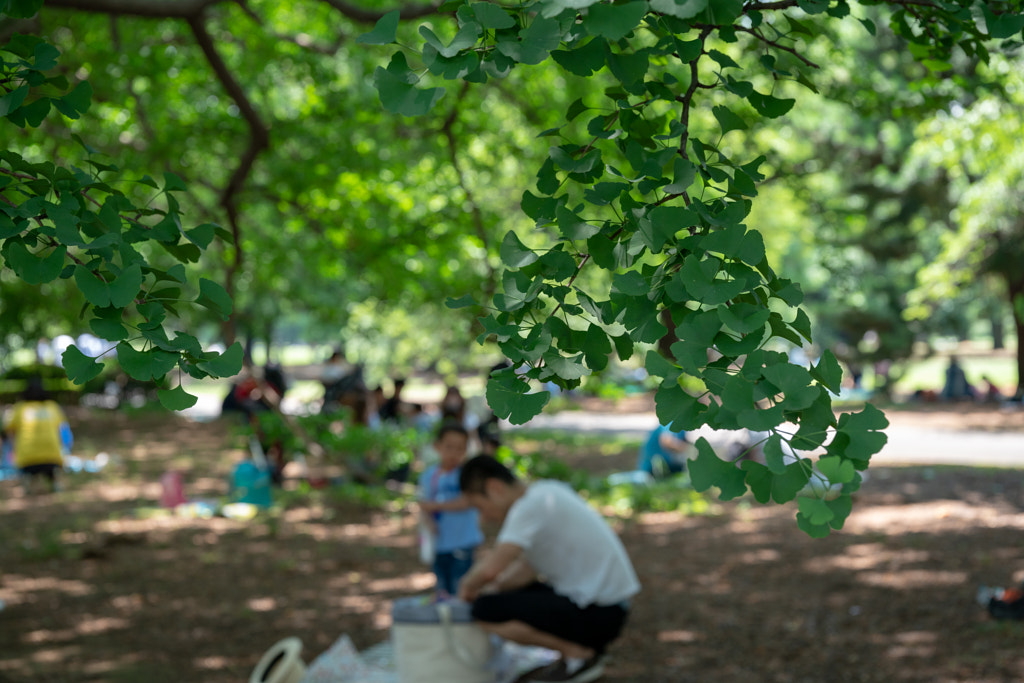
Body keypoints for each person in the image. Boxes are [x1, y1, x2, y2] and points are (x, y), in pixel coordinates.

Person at [456, 455, 640, 683]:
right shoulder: (546, 491)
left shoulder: (527, 507)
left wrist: (467, 587)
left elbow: (491, 569)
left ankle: (578, 654)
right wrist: (495, 589)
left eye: (480, 507)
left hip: (600, 613)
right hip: (609, 608)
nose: (484, 518)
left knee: (483, 611)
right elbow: (527, 569)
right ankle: (574, 653)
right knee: (497, 600)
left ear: (495, 488)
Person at [417, 423, 484, 598]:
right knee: (442, 588)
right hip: (439, 543)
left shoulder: (467, 475)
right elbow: (423, 503)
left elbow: (468, 501)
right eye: (449, 447)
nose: (454, 453)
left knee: (460, 587)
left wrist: (435, 506)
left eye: (460, 448)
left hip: (462, 541)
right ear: (437, 446)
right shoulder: (429, 475)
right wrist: (428, 520)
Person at [2, 376, 72, 494]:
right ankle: (54, 482)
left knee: (28, 465)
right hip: (53, 457)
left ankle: (26, 481)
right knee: (49, 465)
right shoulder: (52, 406)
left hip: (26, 458)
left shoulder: (20, 408)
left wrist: (14, 449)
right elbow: (63, 430)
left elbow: (8, 430)